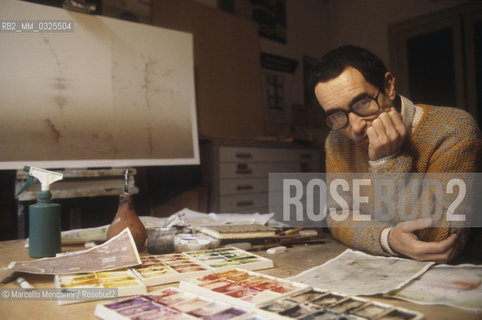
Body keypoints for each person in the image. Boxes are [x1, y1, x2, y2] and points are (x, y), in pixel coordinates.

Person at [311, 45, 481, 263]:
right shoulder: (337, 141)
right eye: (336, 115)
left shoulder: (453, 129)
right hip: (383, 266)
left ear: (389, 86)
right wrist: (387, 239)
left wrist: (388, 162)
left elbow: (441, 237)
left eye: (362, 103)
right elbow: (338, 215)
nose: (354, 128)